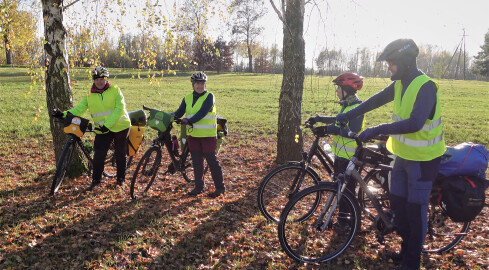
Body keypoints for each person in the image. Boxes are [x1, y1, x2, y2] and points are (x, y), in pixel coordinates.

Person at [336, 39, 446, 270]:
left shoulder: (425, 86)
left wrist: (378, 129)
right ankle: (406, 252)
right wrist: (348, 114)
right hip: (403, 157)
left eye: (390, 63)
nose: (388, 68)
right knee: (399, 207)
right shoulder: (399, 84)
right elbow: (375, 100)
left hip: (424, 161)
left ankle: (411, 262)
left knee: (415, 214)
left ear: (404, 62)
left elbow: (416, 122)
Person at [52, 66, 131, 190]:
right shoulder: (89, 95)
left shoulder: (115, 90)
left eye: (102, 78)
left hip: (120, 126)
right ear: (93, 80)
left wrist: (107, 125)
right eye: (97, 79)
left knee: (120, 153)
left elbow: (119, 109)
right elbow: (79, 109)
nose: (100, 81)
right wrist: (63, 114)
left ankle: (121, 180)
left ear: (106, 79)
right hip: (102, 129)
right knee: (99, 154)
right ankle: (96, 181)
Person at [307, 72, 365, 229]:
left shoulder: (357, 108)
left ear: (346, 89)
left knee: (348, 191)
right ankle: (343, 220)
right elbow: (336, 120)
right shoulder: (347, 106)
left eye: (338, 88)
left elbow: (351, 131)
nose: (337, 91)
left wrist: (327, 129)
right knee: (341, 188)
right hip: (341, 155)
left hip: (350, 156)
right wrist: (319, 119)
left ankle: (350, 223)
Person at [172, 71, 225, 198]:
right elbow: (179, 112)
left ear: (205, 84)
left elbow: (202, 112)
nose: (200, 86)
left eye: (202, 83)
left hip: (207, 136)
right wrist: (168, 116)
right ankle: (199, 187)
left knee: (212, 161)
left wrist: (189, 121)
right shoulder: (187, 98)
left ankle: (220, 187)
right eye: (197, 83)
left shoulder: (209, 97)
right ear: (193, 84)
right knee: (197, 162)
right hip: (193, 136)